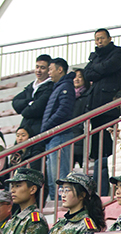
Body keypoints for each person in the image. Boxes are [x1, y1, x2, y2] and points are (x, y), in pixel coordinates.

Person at [83, 28, 121, 194]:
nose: (99, 41)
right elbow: (87, 74)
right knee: (97, 152)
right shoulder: (95, 56)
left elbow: (107, 68)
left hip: (110, 109)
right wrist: (98, 69)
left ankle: (109, 188)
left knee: (108, 151)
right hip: (95, 109)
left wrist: (96, 69)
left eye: (102, 38)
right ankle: (98, 189)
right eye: (97, 39)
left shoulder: (117, 53)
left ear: (109, 38)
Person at [41, 58, 76, 201]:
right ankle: (56, 205)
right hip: (53, 136)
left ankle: (62, 206)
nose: (48, 73)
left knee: (60, 176)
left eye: (50, 69)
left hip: (60, 135)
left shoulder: (66, 86)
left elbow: (63, 111)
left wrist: (47, 126)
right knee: (53, 178)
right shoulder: (58, 87)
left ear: (60, 69)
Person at [12, 54, 54, 163]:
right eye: (37, 67)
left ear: (49, 70)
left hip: (38, 132)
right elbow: (15, 103)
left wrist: (27, 107)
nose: (38, 70)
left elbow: (36, 109)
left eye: (42, 67)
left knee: (33, 163)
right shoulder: (31, 86)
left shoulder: (50, 87)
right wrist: (29, 102)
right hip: (25, 129)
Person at [71, 68, 92, 166]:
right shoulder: (68, 95)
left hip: (80, 133)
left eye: (80, 77)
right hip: (70, 133)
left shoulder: (88, 96)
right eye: (74, 77)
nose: (76, 79)